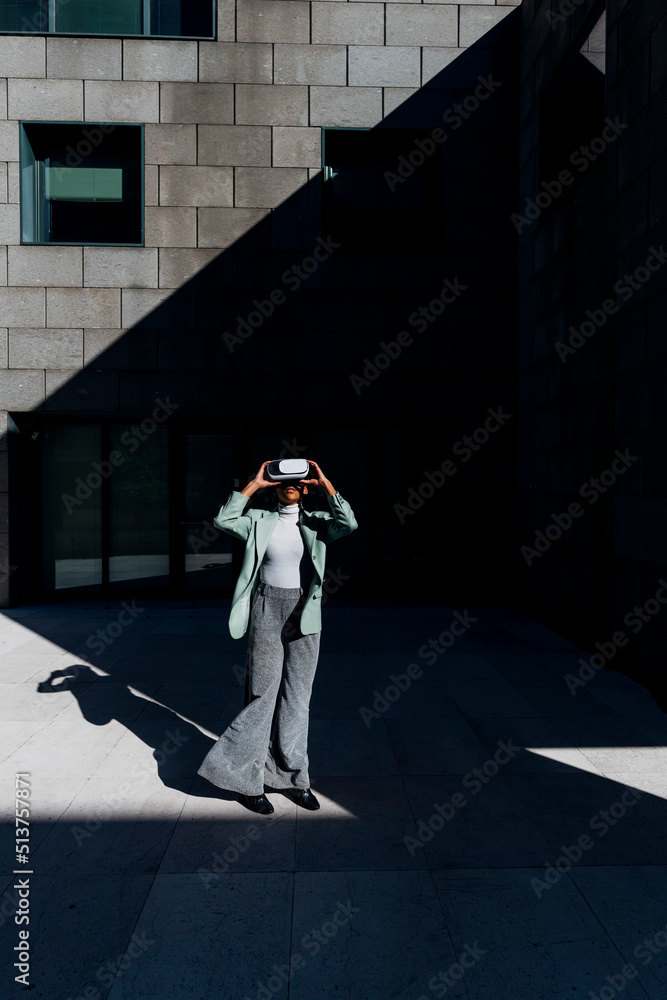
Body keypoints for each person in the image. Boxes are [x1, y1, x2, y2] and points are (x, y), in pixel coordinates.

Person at [196, 459, 358, 814]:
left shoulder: (316, 522)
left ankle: (293, 777)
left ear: (305, 489)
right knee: (262, 694)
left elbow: (349, 523)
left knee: (298, 698)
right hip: (267, 605)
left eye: (299, 482)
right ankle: (244, 779)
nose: (292, 485)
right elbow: (223, 520)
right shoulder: (258, 520)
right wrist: (255, 483)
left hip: (304, 611)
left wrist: (324, 483)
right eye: (285, 481)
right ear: (276, 488)